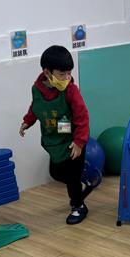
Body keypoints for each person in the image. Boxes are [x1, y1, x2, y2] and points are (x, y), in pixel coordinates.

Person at [19, 45, 98, 224]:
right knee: (55, 173)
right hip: (54, 138)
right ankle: (83, 180)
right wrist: (27, 121)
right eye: (62, 74)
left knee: (72, 178)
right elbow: (36, 106)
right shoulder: (37, 89)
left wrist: (79, 141)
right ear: (47, 72)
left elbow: (82, 116)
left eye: (69, 73)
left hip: (72, 138)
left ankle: (78, 206)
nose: (67, 78)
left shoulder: (71, 90)